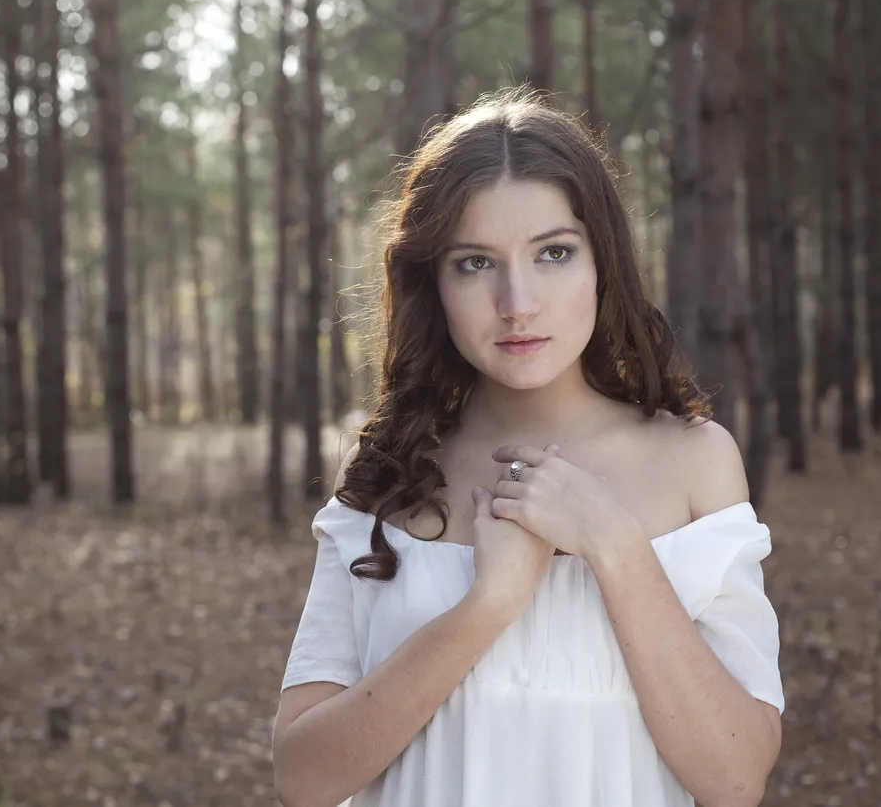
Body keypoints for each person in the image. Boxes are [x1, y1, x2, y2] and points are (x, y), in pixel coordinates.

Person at [271, 89, 784, 807]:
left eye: (553, 253)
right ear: (433, 283)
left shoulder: (694, 463)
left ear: (602, 263)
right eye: (475, 263)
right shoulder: (385, 472)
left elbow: (734, 780)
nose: (518, 301)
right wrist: (488, 605)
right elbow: (302, 776)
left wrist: (617, 548)